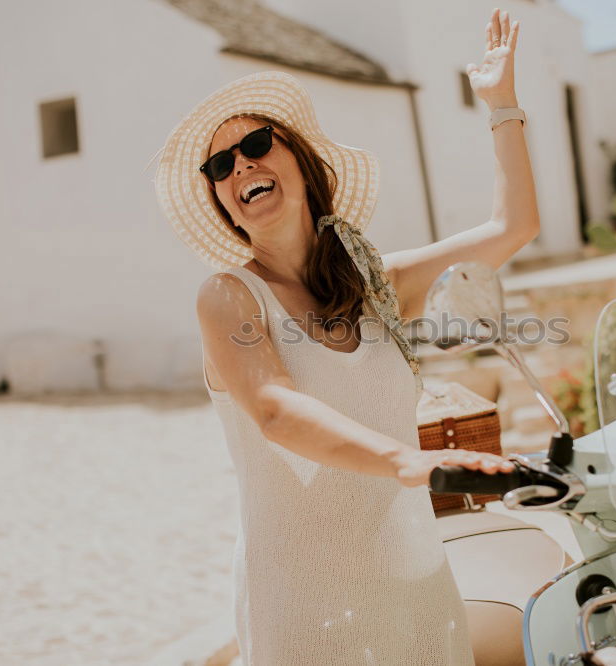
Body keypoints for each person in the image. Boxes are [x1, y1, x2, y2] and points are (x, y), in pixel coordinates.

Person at [154, 8, 539, 665]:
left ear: (299, 161)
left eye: (255, 145)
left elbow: (514, 226)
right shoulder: (227, 298)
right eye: (220, 164)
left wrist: (502, 105)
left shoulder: (378, 284)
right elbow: (275, 410)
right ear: (221, 197)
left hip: (417, 588)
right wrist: (403, 461)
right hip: (306, 608)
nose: (239, 165)